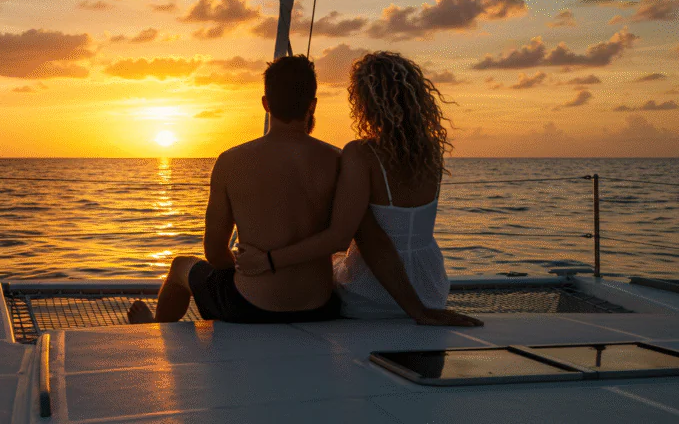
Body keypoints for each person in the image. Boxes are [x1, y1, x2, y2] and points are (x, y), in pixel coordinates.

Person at [128, 54, 479, 326]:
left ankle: (155, 328)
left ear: (266, 104)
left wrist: (251, 266)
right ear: (313, 104)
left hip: (251, 307)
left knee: (180, 266)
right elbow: (355, 236)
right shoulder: (339, 160)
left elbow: (215, 251)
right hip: (320, 307)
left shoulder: (230, 161)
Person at [236, 52, 480, 325]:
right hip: (430, 290)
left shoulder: (361, 155)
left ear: (365, 103)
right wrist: (421, 308)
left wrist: (267, 261)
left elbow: (347, 239)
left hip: (374, 296)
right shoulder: (431, 153)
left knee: (324, 275)